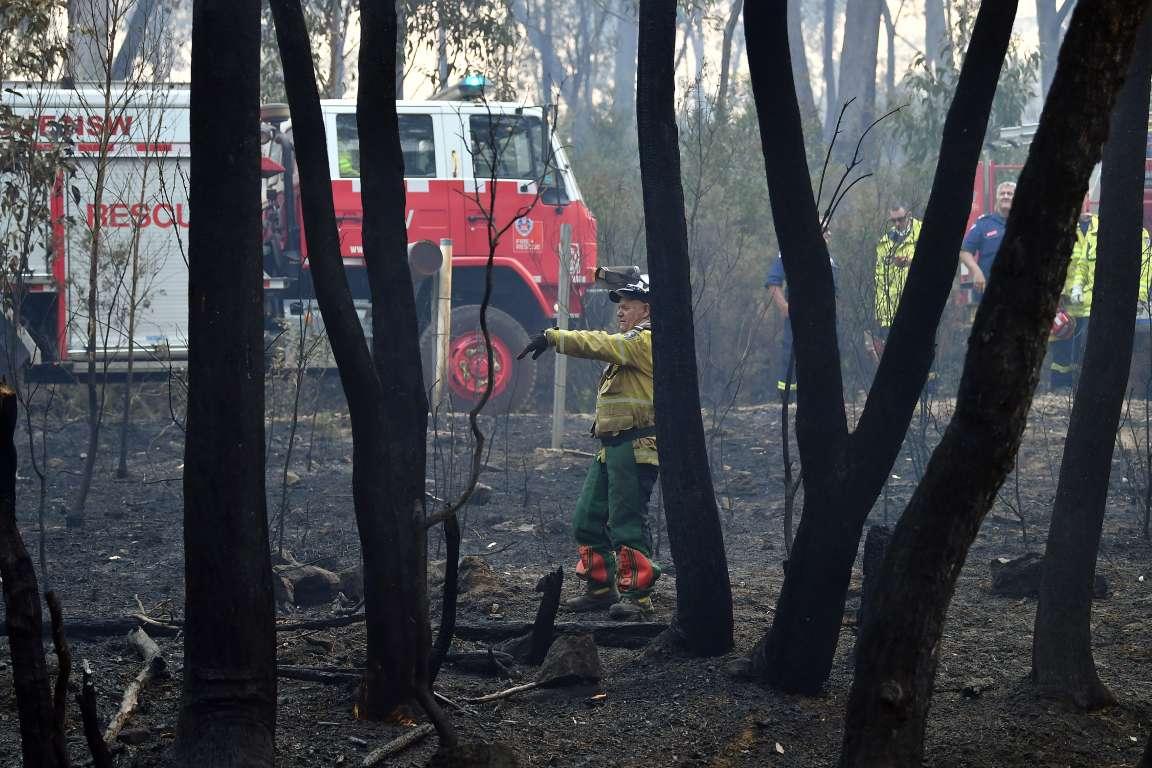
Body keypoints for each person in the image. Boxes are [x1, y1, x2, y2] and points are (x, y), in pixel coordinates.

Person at [517, 277, 660, 620]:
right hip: (611, 448)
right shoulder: (632, 341)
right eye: (619, 306)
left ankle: (638, 598)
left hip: (635, 447)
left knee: (626, 524)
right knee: (586, 519)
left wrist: (554, 337)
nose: (620, 311)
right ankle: (600, 588)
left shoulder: (647, 340)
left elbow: (601, 344)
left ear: (648, 309)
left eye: (628, 305)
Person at [765, 226, 833, 399]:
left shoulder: (830, 260)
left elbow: (836, 292)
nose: (828, 233)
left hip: (822, 321)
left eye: (828, 229)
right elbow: (773, 282)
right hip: (797, 320)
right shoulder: (791, 253)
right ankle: (788, 399)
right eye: (824, 229)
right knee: (790, 356)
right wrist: (786, 308)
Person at [1050, 205, 1097, 390]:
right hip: (1067, 303)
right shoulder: (1063, 229)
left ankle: (1084, 389)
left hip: (1092, 303)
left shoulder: (1103, 228)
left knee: (1086, 348)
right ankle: (1060, 388)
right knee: (1062, 347)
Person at [871, 205, 922, 357]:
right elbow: (880, 281)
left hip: (919, 306)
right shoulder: (885, 244)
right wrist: (882, 315)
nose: (897, 224)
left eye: (901, 219)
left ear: (909, 215)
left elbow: (935, 264)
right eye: (893, 221)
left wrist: (909, 263)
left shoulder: (924, 233)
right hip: (893, 313)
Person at [959, 180, 1016, 296]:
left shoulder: (1028, 224)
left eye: (1009, 194)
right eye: (1002, 193)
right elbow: (964, 251)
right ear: (997, 198)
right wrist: (976, 271)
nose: (1005, 196)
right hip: (987, 293)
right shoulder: (984, 223)